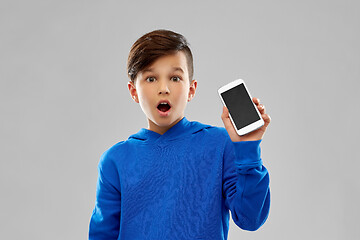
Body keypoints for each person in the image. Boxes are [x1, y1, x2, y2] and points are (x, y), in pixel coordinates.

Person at [88, 29, 271, 240]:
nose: (164, 88)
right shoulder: (115, 160)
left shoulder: (220, 145)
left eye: (175, 78)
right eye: (150, 79)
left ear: (191, 90)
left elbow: (250, 219)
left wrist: (248, 150)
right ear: (133, 91)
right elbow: (101, 236)